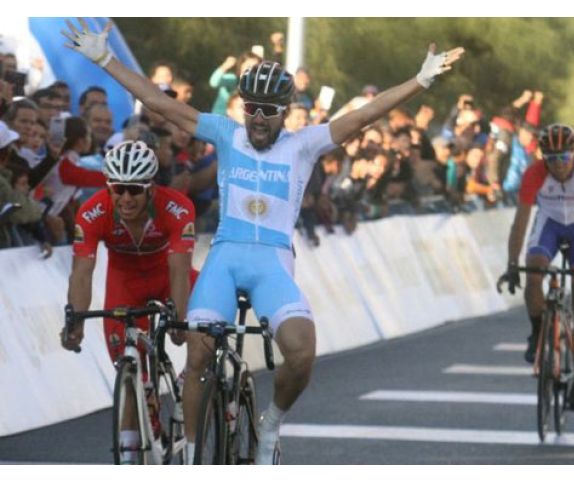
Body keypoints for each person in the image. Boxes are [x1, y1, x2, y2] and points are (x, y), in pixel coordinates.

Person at [62, 17, 464, 465]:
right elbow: (157, 101)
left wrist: (420, 81)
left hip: (272, 262)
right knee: (197, 355)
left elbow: (365, 115)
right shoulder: (225, 132)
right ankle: (192, 459)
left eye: (268, 110)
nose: (257, 117)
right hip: (225, 256)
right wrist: (105, 58)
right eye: (251, 107)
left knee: (302, 351)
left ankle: (270, 424)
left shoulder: (304, 144)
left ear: (285, 112)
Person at [60, 140, 197, 464]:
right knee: (129, 371)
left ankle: (188, 381)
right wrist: (75, 321)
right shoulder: (93, 211)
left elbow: (179, 270)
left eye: (134, 190)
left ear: (151, 188)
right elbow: (82, 273)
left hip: (168, 275)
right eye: (117, 188)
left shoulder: (176, 208)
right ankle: (132, 452)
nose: (125, 198)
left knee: (206, 328)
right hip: (125, 283)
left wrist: (179, 321)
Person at [497, 124, 574, 411]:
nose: (558, 164)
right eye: (551, 158)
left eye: (564, 157)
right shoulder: (534, 173)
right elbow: (521, 222)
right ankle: (537, 332)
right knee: (533, 272)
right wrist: (512, 263)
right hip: (550, 227)